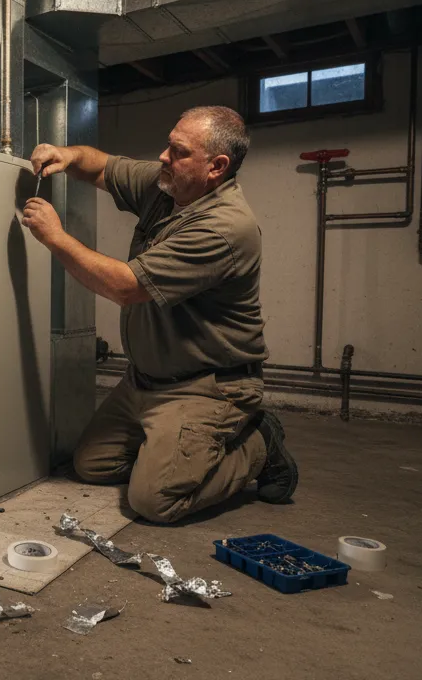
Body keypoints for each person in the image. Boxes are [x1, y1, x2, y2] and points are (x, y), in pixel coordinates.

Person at [20, 105, 297, 524]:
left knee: (155, 501)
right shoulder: (168, 184)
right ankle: (173, 448)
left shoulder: (223, 228)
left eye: (179, 151)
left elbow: (125, 287)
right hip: (145, 381)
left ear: (216, 167)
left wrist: (55, 237)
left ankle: (260, 443)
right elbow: (104, 167)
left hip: (205, 386)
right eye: (168, 144)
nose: (164, 157)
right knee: (91, 466)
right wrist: (67, 154)